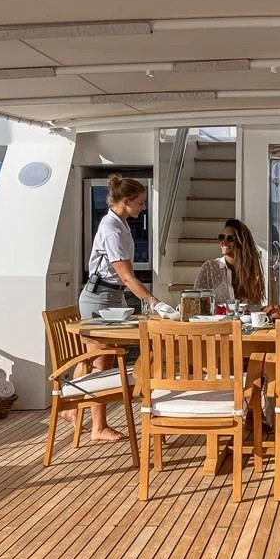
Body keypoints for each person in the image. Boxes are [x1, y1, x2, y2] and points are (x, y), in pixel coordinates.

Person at [77, 173, 169, 441]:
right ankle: (98, 426)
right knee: (100, 359)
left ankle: (73, 409)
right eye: (140, 203)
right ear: (127, 201)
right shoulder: (112, 228)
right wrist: (156, 303)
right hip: (100, 297)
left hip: (111, 295)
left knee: (94, 356)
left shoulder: (121, 223)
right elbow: (127, 276)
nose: (143, 207)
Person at [193, 218, 265, 312]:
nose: (224, 241)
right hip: (216, 324)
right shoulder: (210, 268)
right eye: (222, 237)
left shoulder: (252, 271)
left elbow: (255, 307)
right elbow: (195, 302)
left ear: (241, 242)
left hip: (243, 325)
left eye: (230, 238)